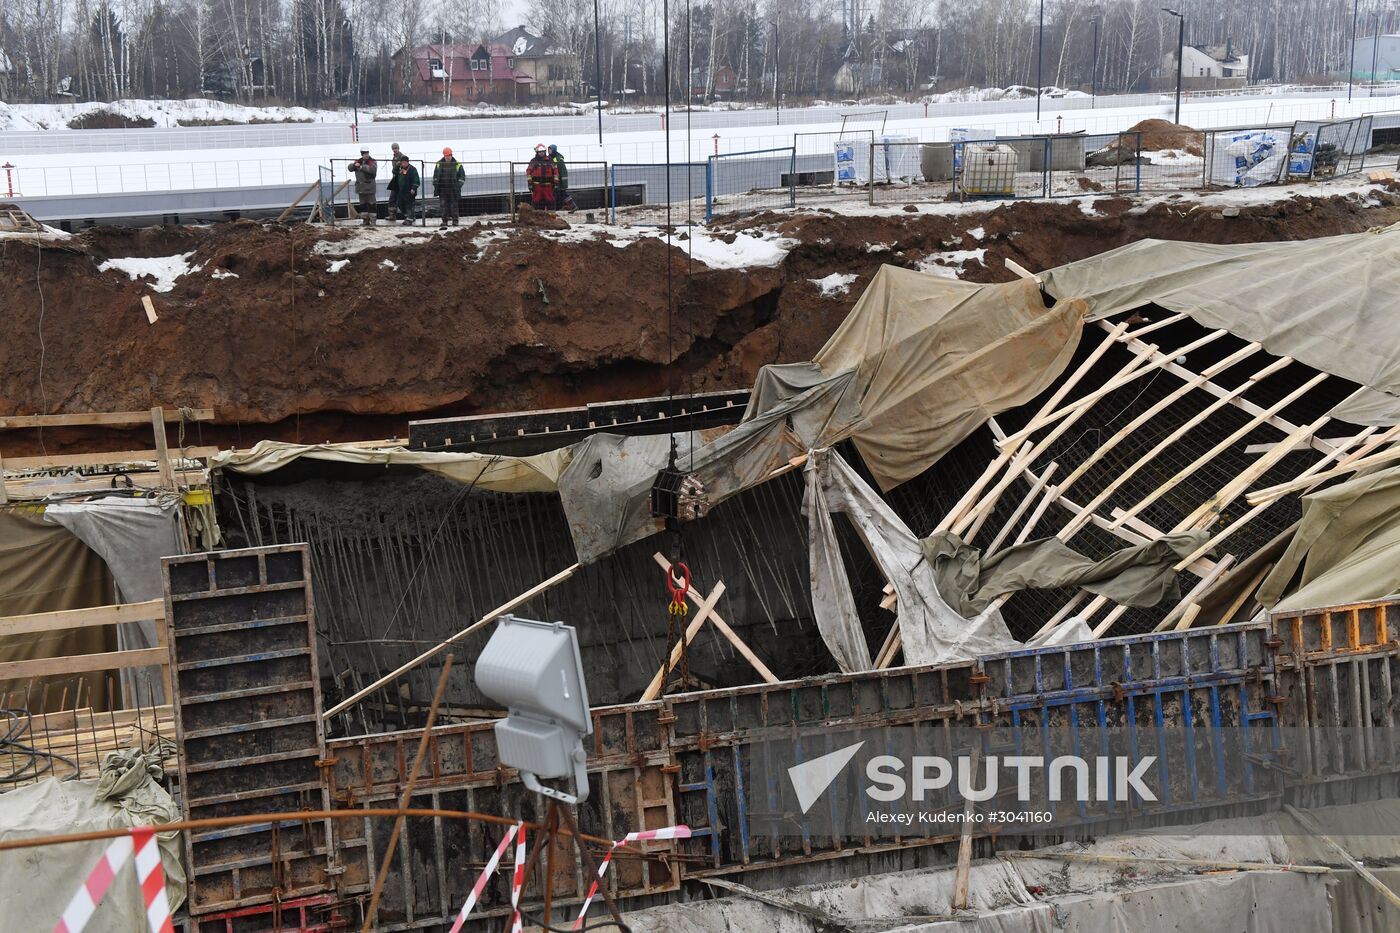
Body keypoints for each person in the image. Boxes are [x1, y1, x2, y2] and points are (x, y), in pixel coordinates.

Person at [433, 147, 466, 226]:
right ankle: (444, 221)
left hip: (453, 189)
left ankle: (455, 221)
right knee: (443, 205)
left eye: (448, 155)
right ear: (444, 155)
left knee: (454, 205)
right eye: (446, 156)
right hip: (442, 188)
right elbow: (435, 176)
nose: (447, 157)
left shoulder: (457, 164)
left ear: (451, 155)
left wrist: (458, 186)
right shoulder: (439, 164)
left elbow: (462, 177)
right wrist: (435, 184)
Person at [348, 147, 378, 226]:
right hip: (361, 188)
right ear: (362, 154)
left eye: (367, 153)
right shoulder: (358, 161)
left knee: (372, 205)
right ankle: (365, 220)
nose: (366, 155)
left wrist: (361, 167)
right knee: (363, 205)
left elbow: (373, 170)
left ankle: (373, 221)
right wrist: (354, 165)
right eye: (364, 154)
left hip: (370, 188)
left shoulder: (372, 161)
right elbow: (350, 168)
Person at [526, 143, 559, 211]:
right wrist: (530, 183)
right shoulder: (533, 161)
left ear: (545, 152)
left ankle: (551, 217)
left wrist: (556, 183)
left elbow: (555, 172)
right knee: (537, 202)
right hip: (537, 186)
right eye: (540, 152)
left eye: (543, 152)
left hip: (548, 186)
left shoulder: (550, 160)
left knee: (550, 202)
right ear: (537, 152)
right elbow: (529, 172)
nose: (541, 153)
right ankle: (538, 217)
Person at [547, 144, 577, 212]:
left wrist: (564, 184)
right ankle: (573, 206)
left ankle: (552, 210)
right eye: (548, 150)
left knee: (557, 195)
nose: (549, 151)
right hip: (553, 181)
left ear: (554, 150)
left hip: (558, 182)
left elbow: (563, 172)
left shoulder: (559, 159)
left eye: (550, 150)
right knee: (563, 195)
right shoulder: (549, 158)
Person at [393, 156, 420, 225]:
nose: (403, 164)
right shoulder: (400, 168)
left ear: (408, 162)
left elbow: (416, 180)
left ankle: (410, 218)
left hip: (409, 190)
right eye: (402, 163)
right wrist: (397, 166)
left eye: (405, 163)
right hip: (401, 190)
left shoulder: (412, 169)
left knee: (409, 205)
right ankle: (409, 215)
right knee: (400, 203)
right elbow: (394, 171)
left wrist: (414, 188)